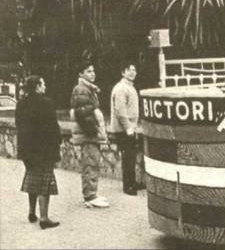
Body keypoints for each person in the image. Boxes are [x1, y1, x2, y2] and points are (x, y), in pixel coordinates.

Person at [16, 75, 61, 229]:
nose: (45, 86)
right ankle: (44, 218)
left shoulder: (21, 104)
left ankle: (31, 212)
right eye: (43, 84)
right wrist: (56, 149)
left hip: (27, 151)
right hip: (44, 150)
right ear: (37, 87)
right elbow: (53, 129)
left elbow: (19, 127)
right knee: (44, 183)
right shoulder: (46, 103)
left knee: (32, 179)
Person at [70, 63, 109, 208]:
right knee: (90, 164)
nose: (93, 74)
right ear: (81, 74)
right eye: (89, 71)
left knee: (92, 163)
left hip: (90, 134)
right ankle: (90, 196)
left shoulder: (88, 89)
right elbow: (84, 114)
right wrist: (94, 132)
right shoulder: (81, 89)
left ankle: (92, 193)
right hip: (89, 135)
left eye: (93, 71)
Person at [110, 63, 139, 195]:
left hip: (129, 127)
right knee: (128, 157)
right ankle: (128, 186)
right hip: (123, 129)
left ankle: (132, 182)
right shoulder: (121, 88)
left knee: (131, 156)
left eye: (134, 70)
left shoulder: (130, 87)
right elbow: (120, 111)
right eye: (129, 70)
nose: (132, 72)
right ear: (123, 72)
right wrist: (128, 128)